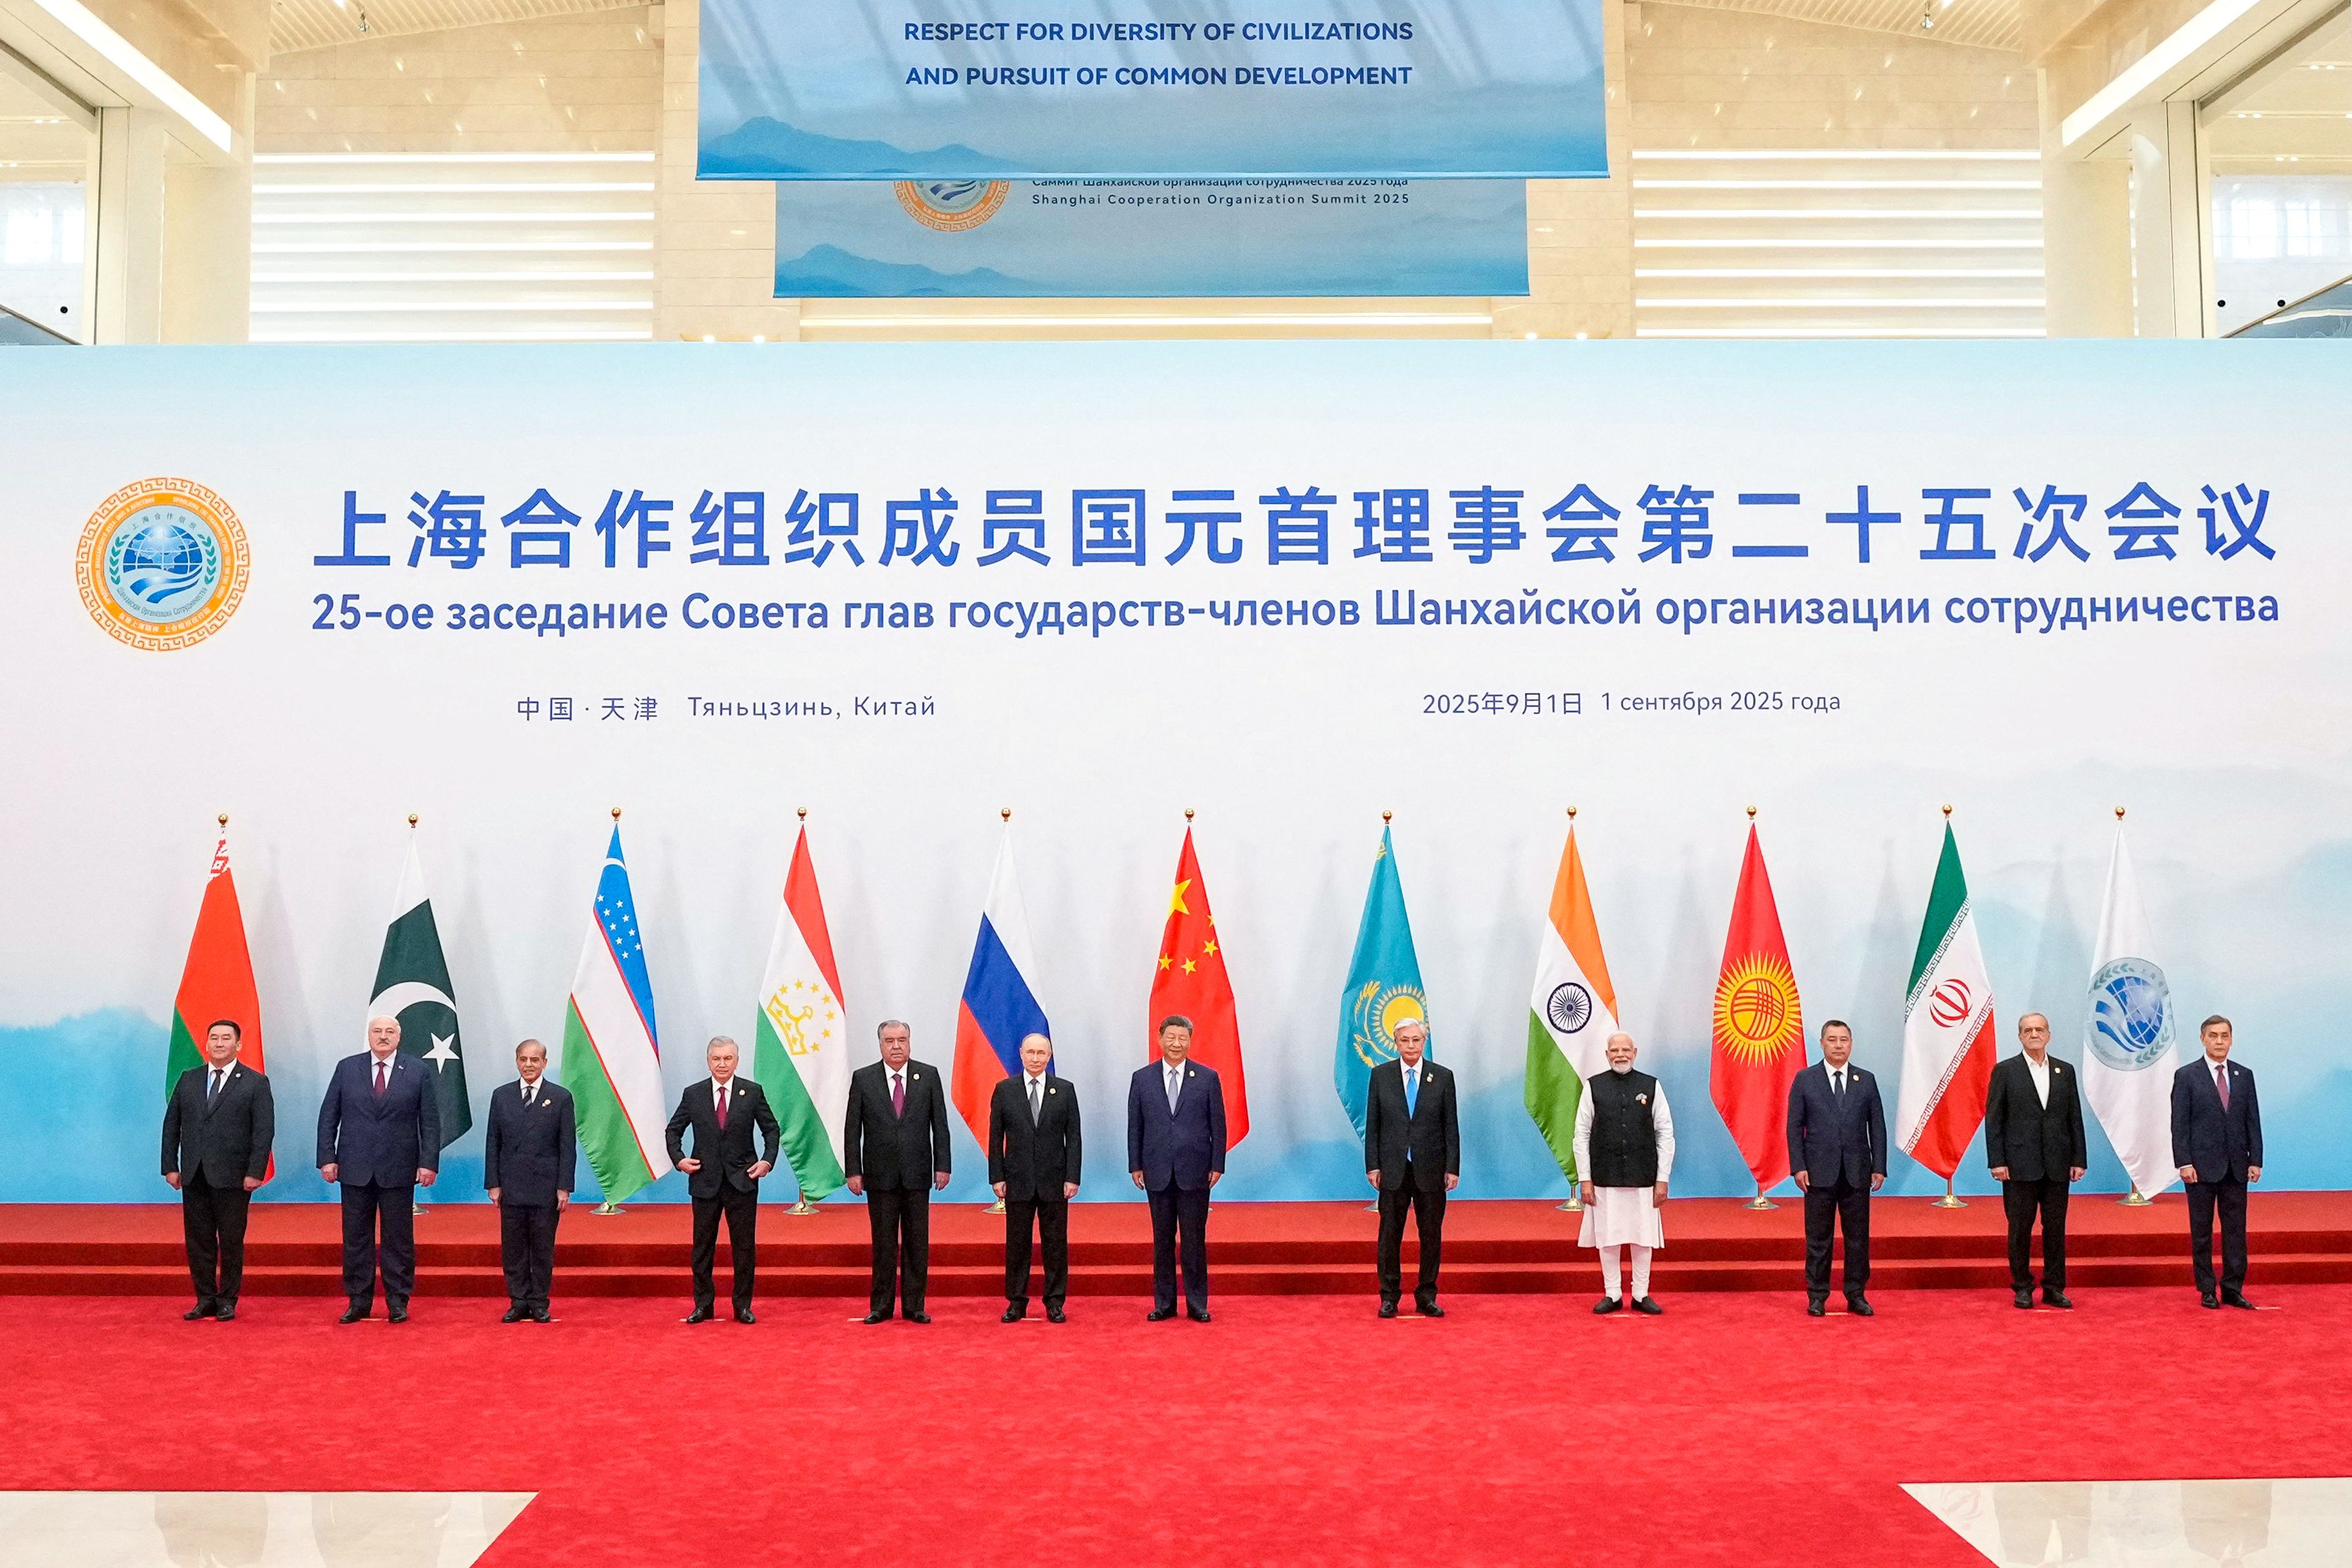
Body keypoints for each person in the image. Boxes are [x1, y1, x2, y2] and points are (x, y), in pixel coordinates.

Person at [317, 1014, 441, 1323]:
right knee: (356, 1237)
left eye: (389, 1032)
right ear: (368, 1036)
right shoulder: (347, 1068)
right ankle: (358, 1301)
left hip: (400, 1168)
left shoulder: (416, 1070)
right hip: (354, 1167)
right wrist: (327, 1157)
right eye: (377, 1031)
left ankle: (398, 1301)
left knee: (398, 1238)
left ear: (399, 1037)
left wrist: (428, 1163)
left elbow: (430, 1121)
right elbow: (328, 1116)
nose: (383, 1037)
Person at [161, 1018, 274, 1321]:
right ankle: (205, 1298)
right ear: (206, 1043)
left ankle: (228, 1299)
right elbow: (172, 1126)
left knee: (231, 1241)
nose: (219, 1043)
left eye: (226, 1038)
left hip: (234, 1177)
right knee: (198, 1240)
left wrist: (255, 1171)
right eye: (214, 1038)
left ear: (238, 1045)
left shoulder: (255, 1082)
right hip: (194, 1174)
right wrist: (170, 1166)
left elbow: (263, 1132)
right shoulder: (189, 1079)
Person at [843, 1019, 951, 1325]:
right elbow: (853, 1129)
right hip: (879, 1176)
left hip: (917, 1175)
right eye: (889, 1041)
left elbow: (939, 1125)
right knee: (884, 1244)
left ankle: (915, 1306)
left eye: (902, 1040)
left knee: (917, 1243)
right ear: (880, 1044)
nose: (896, 1046)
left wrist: (942, 1165)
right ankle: (881, 1306)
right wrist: (854, 1170)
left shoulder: (928, 1076)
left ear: (910, 1042)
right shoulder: (864, 1079)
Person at [665, 1036, 780, 1325]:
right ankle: (703, 1305)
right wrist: (679, 1159)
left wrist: (766, 1161)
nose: (722, 1064)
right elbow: (673, 1131)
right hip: (705, 1183)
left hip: (743, 1182)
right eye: (716, 1059)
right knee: (702, 1248)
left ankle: (743, 1306)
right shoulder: (693, 1094)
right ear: (708, 1061)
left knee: (744, 1247)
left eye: (728, 1058)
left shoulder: (752, 1092)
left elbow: (771, 1130)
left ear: (737, 1061)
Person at [1127, 1014, 1229, 1323]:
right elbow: (1136, 1126)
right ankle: (1165, 1303)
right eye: (1170, 1037)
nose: (1176, 1043)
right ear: (1160, 1039)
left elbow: (1218, 1126)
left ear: (1189, 1041)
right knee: (1162, 1240)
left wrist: (1217, 1164)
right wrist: (1136, 1164)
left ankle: (1197, 1304)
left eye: (1182, 1038)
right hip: (1156, 1171)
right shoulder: (1142, 1078)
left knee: (1194, 1241)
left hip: (1195, 1172)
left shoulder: (1208, 1078)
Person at [1983, 1012, 2086, 1309]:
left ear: (2049, 1035)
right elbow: (1995, 1120)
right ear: (2019, 1036)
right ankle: (2022, 1287)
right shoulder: (2005, 1071)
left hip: (2057, 1165)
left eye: (2039, 1029)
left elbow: (2074, 1118)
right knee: (2020, 1229)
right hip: (2018, 1165)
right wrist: (1997, 1161)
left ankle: (2054, 1287)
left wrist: (2079, 1158)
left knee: (2055, 1229)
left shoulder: (2064, 1071)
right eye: (2027, 1030)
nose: (2034, 1034)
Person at [1785, 1019, 1885, 1317]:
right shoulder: (1805, 1079)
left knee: (1858, 1239)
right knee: (1819, 1239)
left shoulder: (1865, 1080)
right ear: (1822, 1043)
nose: (1838, 1045)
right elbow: (1794, 1127)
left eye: (1844, 1040)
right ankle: (1817, 1295)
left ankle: (1856, 1294)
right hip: (1817, 1173)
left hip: (1857, 1173)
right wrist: (1798, 1166)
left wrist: (1878, 1166)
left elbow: (1876, 1126)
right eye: (1832, 1040)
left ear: (1851, 1044)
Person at [1573, 1031, 1675, 1316]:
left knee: (1643, 1238)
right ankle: (1613, 1293)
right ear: (1607, 1054)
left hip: (1644, 1177)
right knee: (1608, 1236)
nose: (1620, 1054)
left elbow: (1665, 1133)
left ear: (1635, 1052)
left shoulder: (1651, 1086)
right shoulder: (1593, 1087)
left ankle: (1641, 1294)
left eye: (1625, 1050)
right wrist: (1585, 1179)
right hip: (1604, 1177)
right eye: (1614, 1050)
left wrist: (1662, 1178)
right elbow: (1580, 1135)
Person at [1364, 1018, 1459, 1318]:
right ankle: (1389, 1296)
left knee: (1430, 1235)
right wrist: (1373, 1165)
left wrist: (1452, 1167)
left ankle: (1427, 1295)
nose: (1411, 1046)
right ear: (1396, 1043)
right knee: (1389, 1236)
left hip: (1431, 1170)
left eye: (1416, 1040)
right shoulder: (1381, 1076)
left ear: (1424, 1041)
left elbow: (1450, 1126)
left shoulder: (1442, 1077)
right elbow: (1374, 1125)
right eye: (1404, 1040)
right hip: (1392, 1170)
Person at [988, 1032, 1082, 1323]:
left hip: (1055, 1182)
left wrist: (1072, 1177)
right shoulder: (1004, 1090)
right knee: (1017, 1245)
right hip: (1017, 1181)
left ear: (1050, 1056)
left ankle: (1055, 1302)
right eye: (1031, 1053)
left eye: (1041, 1053)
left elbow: (1074, 1138)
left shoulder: (1065, 1090)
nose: (1036, 1058)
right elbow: (995, 1138)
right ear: (1021, 1054)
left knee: (1055, 1244)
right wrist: (997, 1177)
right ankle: (1016, 1301)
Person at [2172, 1014, 2263, 1309]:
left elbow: (2253, 1121)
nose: (2220, 1041)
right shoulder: (2187, 1076)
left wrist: (2256, 1160)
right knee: (2202, 1232)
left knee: (2236, 1232)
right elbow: (2179, 1124)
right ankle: (2207, 1288)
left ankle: (2233, 1288)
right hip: (2199, 1169)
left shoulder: (2244, 1075)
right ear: (2203, 1039)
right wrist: (2184, 1162)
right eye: (2213, 1036)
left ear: (2232, 1039)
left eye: (2225, 1036)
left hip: (2237, 1168)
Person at [483, 1038, 575, 1323]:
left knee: (542, 1248)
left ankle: (538, 1302)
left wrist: (564, 1187)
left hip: (545, 1188)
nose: (529, 1065)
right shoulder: (502, 1096)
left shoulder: (560, 1097)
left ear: (545, 1063)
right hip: (511, 1186)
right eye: (524, 1059)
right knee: (513, 1249)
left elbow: (567, 1146)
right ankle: (518, 1301)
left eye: (535, 1060)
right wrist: (493, 1184)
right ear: (517, 1061)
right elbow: (492, 1142)